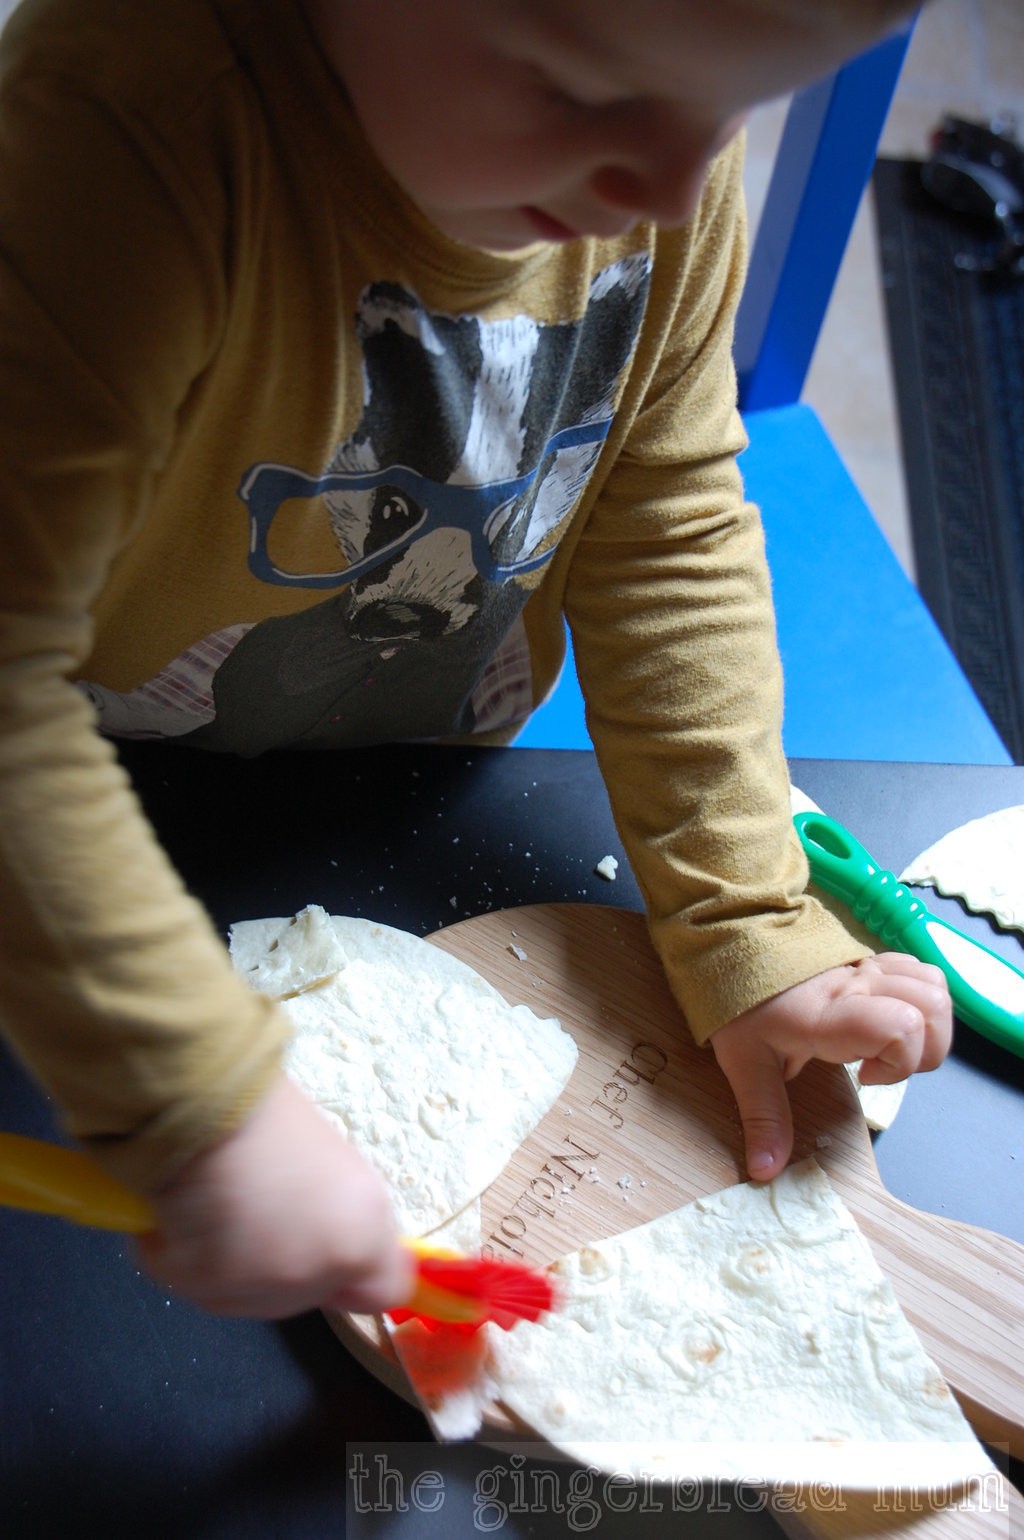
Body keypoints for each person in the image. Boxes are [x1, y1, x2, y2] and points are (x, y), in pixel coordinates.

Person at [0, 0, 950, 1321]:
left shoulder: (655, 127)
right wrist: (198, 1104)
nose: (672, 189)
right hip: (86, 818)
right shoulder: (118, 139)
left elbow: (661, 513)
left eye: (731, 110)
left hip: (411, 775)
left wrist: (742, 915)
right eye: (575, 87)